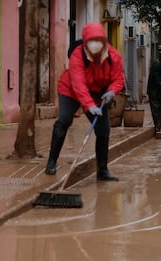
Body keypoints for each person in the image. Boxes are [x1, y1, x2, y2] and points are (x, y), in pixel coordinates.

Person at [45, 22, 125, 181]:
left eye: (98, 40)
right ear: (85, 41)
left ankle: (102, 170)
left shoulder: (113, 56)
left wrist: (112, 91)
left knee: (103, 130)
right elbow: (78, 83)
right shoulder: (77, 54)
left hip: (98, 93)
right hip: (71, 91)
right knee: (64, 120)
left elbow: (118, 78)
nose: (95, 44)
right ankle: (51, 161)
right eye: (91, 41)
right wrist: (88, 105)